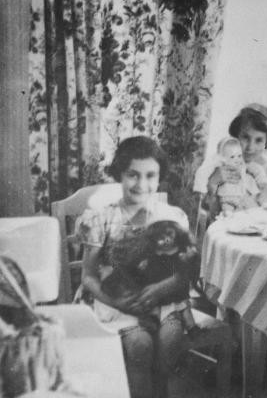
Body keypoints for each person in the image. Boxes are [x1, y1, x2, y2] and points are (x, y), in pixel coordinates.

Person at [76, 136, 194, 398]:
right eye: (133, 175)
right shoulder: (101, 219)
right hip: (117, 298)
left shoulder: (171, 217)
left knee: (171, 344)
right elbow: (88, 277)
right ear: (119, 174)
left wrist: (164, 288)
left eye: (150, 175)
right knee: (139, 346)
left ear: (160, 176)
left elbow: (185, 272)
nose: (142, 184)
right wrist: (122, 304)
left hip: (165, 300)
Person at [204, 104, 267, 218]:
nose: (250, 147)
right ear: (237, 135)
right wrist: (212, 184)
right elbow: (211, 218)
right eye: (245, 138)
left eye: (259, 140)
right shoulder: (222, 168)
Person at [194, 136, 267, 221]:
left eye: (239, 156)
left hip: (241, 196)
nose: (237, 159)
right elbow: (203, 172)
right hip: (226, 196)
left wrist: (261, 178)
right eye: (232, 157)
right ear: (223, 158)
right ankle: (227, 216)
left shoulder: (243, 164)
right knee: (227, 212)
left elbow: (255, 168)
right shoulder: (219, 167)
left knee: (252, 210)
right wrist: (201, 188)